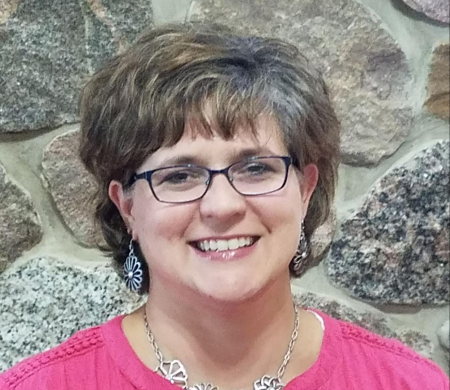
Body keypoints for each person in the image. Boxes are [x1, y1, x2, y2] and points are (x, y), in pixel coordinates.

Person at [0, 23, 448, 390]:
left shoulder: (406, 382)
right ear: (128, 209)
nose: (222, 205)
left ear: (305, 189)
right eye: (178, 176)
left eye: (256, 169)